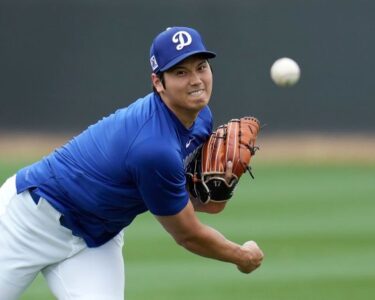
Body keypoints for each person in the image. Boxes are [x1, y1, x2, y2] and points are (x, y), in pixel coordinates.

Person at [0, 26, 264, 300]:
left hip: (96, 238)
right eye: (181, 72)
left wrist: (213, 195)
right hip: (28, 221)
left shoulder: (201, 118)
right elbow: (188, 234)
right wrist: (241, 256)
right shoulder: (153, 147)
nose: (196, 80)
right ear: (158, 82)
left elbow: (194, 200)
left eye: (201, 67)